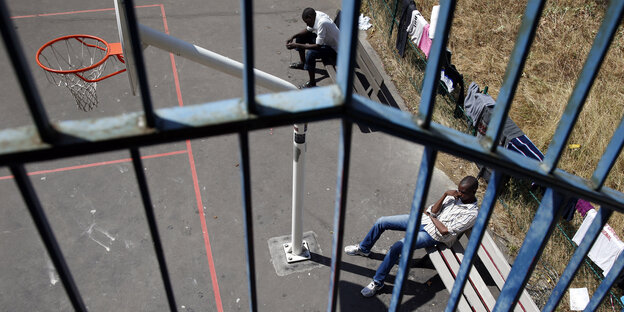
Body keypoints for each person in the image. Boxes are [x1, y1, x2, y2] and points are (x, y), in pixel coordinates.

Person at [344, 176, 480, 297]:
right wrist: (445, 194)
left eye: (463, 192)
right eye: (458, 190)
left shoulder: (472, 214)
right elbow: (432, 210)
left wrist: (432, 216)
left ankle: (377, 282)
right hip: (423, 220)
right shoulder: (453, 196)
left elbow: (444, 231)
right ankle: (364, 248)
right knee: (382, 221)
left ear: (473, 192)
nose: (459, 193)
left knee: (398, 247)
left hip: (434, 235)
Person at [286, 7, 339, 88]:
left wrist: (296, 45)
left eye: (307, 22)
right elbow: (308, 30)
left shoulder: (322, 22)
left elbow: (317, 46)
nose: (307, 25)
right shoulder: (315, 14)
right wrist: (293, 36)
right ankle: (302, 63)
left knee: (311, 54)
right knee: (300, 37)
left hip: (334, 50)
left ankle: (312, 83)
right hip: (325, 42)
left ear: (310, 17)